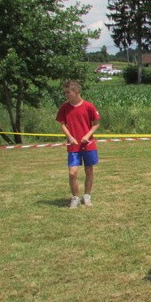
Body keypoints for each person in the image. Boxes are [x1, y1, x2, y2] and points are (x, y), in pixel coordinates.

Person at [56, 80, 101, 208]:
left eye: (68, 92)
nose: (66, 95)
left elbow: (96, 124)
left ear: (76, 92)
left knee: (89, 171)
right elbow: (62, 125)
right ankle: (75, 198)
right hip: (73, 146)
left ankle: (87, 196)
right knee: (72, 172)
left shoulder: (89, 106)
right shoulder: (64, 107)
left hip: (88, 145)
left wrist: (87, 136)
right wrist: (69, 137)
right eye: (65, 93)